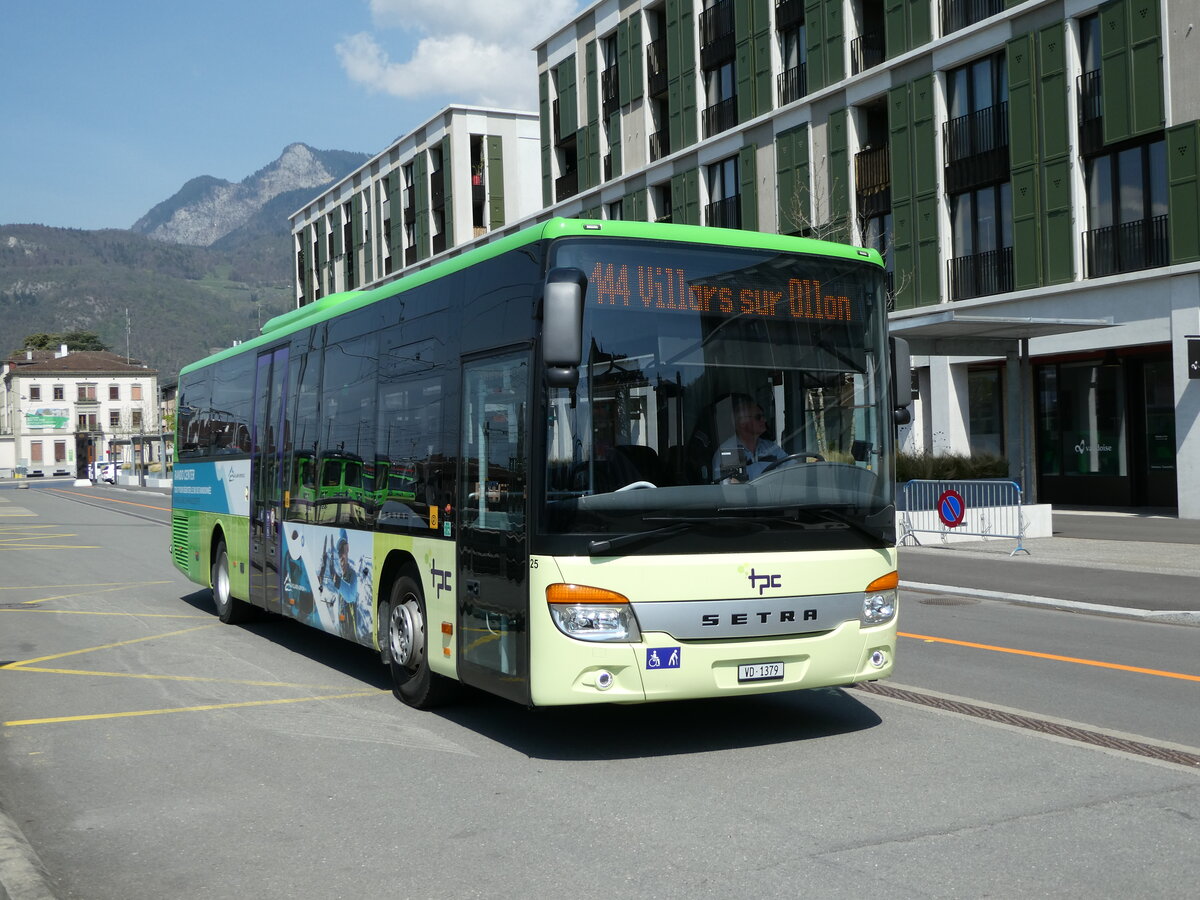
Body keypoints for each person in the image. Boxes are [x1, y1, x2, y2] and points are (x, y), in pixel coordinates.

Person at [712, 394, 785, 482]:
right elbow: (728, 488)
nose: (764, 420)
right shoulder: (726, 452)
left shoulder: (772, 448)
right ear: (742, 422)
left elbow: (791, 469)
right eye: (758, 417)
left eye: (763, 416)